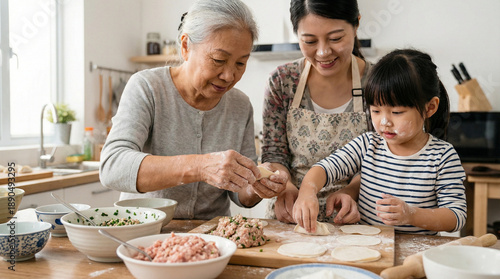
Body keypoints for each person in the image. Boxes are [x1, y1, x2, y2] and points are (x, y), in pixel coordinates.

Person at [100, 0, 287, 220]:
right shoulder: (147, 87)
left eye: (240, 63)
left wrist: (257, 186)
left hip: (210, 240)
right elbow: (113, 167)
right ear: (186, 46)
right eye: (219, 60)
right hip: (142, 230)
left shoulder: (240, 105)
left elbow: (240, 194)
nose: (229, 76)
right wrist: (200, 166)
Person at [293, 49, 467, 235]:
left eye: (397, 112)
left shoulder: (442, 156)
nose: (384, 122)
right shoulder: (368, 145)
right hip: (370, 247)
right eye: (376, 111)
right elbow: (324, 168)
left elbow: (456, 216)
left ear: (430, 107)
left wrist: (411, 215)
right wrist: (306, 192)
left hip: (415, 256)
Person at [261, 0, 372, 224]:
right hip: (291, 218)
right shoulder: (283, 81)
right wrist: (286, 187)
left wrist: (351, 192)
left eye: (335, 39)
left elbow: (385, 157)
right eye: (309, 41)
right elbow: (274, 154)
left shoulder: (378, 83)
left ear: (356, 25)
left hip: (355, 219)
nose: (322, 52)